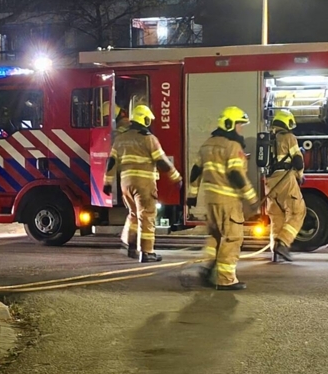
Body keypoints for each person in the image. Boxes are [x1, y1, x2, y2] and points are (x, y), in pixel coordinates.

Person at [187, 106, 258, 290]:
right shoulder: (232, 145)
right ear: (229, 124)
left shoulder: (207, 144)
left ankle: (207, 267)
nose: (241, 128)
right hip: (228, 201)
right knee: (232, 237)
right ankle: (225, 279)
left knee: (215, 235)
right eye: (239, 125)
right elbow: (236, 173)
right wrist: (251, 198)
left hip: (210, 200)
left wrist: (192, 196)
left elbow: (195, 172)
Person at [103, 104, 181, 262]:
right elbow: (161, 161)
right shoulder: (149, 139)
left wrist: (107, 182)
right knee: (147, 216)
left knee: (133, 214)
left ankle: (130, 246)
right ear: (143, 119)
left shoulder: (120, 138)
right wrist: (175, 176)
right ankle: (147, 252)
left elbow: (111, 161)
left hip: (126, 184)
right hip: (144, 184)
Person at [266, 108, 306, 262]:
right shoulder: (289, 137)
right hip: (284, 179)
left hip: (270, 182)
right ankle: (283, 243)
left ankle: (275, 252)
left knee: (277, 217)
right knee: (298, 211)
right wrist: (300, 176)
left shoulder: (269, 138)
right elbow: (298, 160)